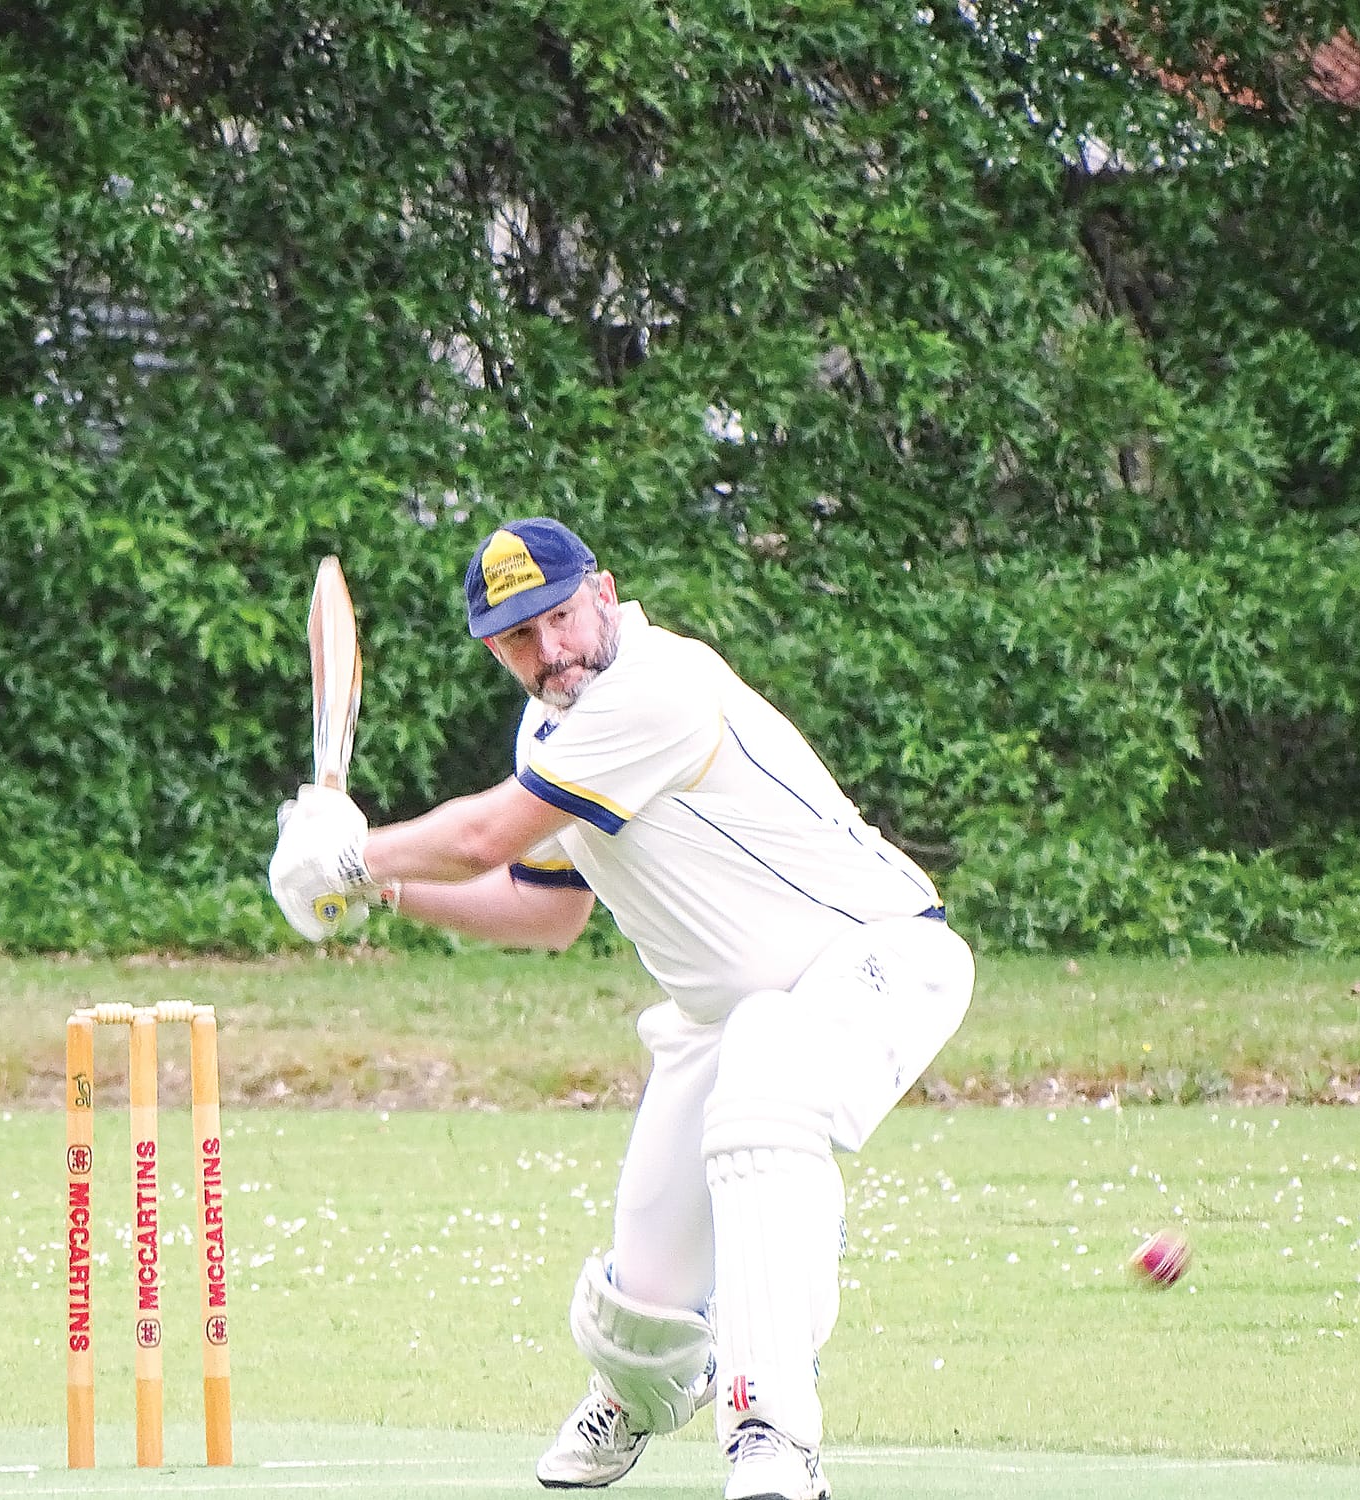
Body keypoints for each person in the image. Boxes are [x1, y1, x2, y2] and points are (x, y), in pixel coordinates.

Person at [269, 517, 974, 1500]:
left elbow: (480, 837)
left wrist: (349, 851)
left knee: (767, 1087)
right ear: (493, 648)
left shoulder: (657, 684)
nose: (550, 653)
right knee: (640, 1303)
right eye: (519, 639)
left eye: (559, 618)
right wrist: (373, 893)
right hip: (715, 1016)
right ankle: (640, 1398)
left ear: (601, 592)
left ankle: (771, 1440)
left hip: (877, 957)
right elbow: (539, 911)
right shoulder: (547, 729)